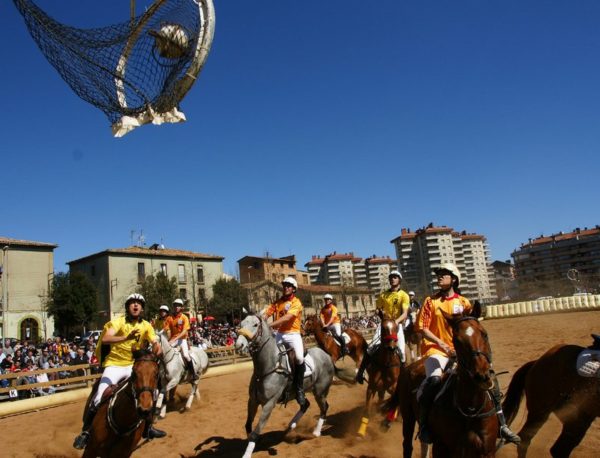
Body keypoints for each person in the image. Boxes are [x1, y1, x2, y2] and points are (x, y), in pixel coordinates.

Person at [415, 263, 520, 445]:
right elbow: (421, 328)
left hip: (461, 352)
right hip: (436, 350)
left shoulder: (463, 302)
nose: (439, 277)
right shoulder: (430, 302)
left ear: (454, 279)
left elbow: (473, 328)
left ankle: (502, 425)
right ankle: (425, 426)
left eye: (444, 274)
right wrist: (441, 344)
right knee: (433, 381)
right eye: (438, 274)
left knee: (489, 379)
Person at [73, 293, 165, 450]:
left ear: (142, 308)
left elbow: (155, 342)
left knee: (151, 392)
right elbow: (106, 339)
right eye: (132, 303)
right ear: (128, 307)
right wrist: (126, 337)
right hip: (114, 365)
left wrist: (157, 348)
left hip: (132, 365)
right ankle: (86, 432)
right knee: (99, 395)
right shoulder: (117, 322)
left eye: (138, 303)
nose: (135, 305)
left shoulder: (146, 326)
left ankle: (148, 428)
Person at [261, 276, 309, 410]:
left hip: (293, 334)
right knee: (270, 355)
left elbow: (287, 318)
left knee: (299, 357)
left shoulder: (297, 302)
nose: (285, 288)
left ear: (294, 289)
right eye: (284, 286)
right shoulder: (277, 302)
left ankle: (299, 389)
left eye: (288, 286)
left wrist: (270, 325)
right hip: (280, 334)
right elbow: (267, 312)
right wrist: (262, 318)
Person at [356, 270, 409, 384]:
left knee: (402, 352)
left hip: (397, 325)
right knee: (371, 348)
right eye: (391, 277)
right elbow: (377, 309)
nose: (392, 279)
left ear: (399, 279)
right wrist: (379, 312)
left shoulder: (404, 295)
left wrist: (395, 322)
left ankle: (404, 376)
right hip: (384, 325)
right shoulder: (383, 294)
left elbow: (405, 313)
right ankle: (360, 372)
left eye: (395, 277)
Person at [164, 298, 197, 381]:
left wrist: (174, 339)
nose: (176, 307)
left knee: (186, 355)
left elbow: (184, 332)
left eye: (178, 306)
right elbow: (167, 330)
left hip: (182, 339)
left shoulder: (184, 317)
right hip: (172, 340)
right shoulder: (169, 318)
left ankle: (193, 373)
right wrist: (168, 338)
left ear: (181, 308)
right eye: (175, 305)